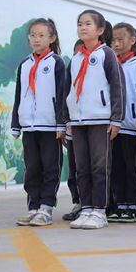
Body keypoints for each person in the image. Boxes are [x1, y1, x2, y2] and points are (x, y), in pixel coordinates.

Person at [64, 9, 126, 229]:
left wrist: (116, 119)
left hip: (100, 119)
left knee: (100, 166)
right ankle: (86, 208)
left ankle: (99, 210)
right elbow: (67, 89)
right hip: (78, 121)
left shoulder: (106, 54)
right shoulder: (76, 58)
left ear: (100, 30)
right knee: (82, 167)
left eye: (88, 24)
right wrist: (67, 119)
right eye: (80, 24)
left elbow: (117, 86)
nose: (83, 27)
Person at [13, 18, 66, 227]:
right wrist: (16, 124)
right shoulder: (24, 64)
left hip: (50, 126)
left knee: (50, 168)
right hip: (29, 126)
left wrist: (61, 124)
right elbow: (19, 95)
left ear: (51, 38)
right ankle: (33, 208)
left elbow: (61, 95)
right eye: (33, 35)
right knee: (32, 168)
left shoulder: (56, 63)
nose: (36, 39)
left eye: (41, 35)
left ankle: (46, 208)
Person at [108, 22, 136, 223]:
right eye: (113, 40)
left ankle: (133, 205)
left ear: (132, 41)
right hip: (112, 126)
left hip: (131, 127)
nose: (116, 44)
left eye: (120, 39)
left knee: (132, 166)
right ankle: (120, 203)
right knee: (116, 167)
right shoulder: (110, 63)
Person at [62, 39, 84, 222]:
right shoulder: (70, 70)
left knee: (91, 168)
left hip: (91, 128)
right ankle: (78, 202)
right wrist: (64, 124)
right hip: (72, 128)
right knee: (74, 169)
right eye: (78, 53)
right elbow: (64, 97)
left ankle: (95, 204)